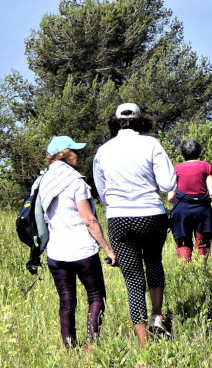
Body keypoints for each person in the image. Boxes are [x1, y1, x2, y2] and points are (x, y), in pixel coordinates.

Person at [93, 103, 176, 348]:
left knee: (132, 279)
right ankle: (157, 315)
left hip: (119, 218)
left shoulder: (103, 151)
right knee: (153, 262)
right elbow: (167, 183)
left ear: (115, 122)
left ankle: (143, 344)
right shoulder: (151, 145)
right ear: (142, 120)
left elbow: (102, 192)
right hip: (151, 215)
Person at [38, 135, 116, 350]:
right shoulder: (75, 181)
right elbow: (89, 220)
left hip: (55, 252)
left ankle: (69, 348)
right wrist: (108, 249)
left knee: (66, 302)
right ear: (64, 154)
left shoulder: (42, 181)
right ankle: (91, 345)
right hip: (82, 250)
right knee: (96, 297)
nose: (78, 155)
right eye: (75, 151)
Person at [168, 139, 212, 263]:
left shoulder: (177, 169)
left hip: (181, 212)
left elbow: (171, 196)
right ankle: (201, 271)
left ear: (182, 153)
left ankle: (186, 271)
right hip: (202, 212)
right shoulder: (205, 166)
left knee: (183, 242)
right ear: (199, 151)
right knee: (203, 243)